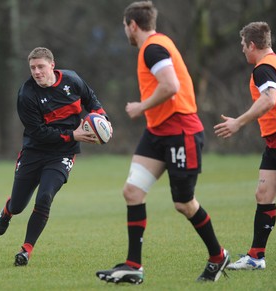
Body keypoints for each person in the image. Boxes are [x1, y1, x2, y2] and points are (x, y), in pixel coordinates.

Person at [96, 1, 229, 284]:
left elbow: (171, 86)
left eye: (124, 26)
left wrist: (141, 106)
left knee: (184, 203)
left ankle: (218, 256)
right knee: (132, 192)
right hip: (157, 132)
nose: (125, 32)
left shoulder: (154, 48)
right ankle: (134, 266)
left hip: (181, 131)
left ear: (132, 25)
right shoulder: (155, 45)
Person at [0, 47, 112, 266]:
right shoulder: (26, 94)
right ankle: (7, 211)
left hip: (62, 154)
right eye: (32, 68)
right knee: (19, 204)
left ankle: (26, 250)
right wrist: (73, 134)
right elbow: (39, 132)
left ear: (52, 65)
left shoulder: (72, 80)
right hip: (34, 151)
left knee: (45, 197)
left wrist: (102, 118)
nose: (37, 72)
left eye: (40, 67)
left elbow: (92, 100)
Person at [214, 22, 276, 270]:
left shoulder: (264, 68)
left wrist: (238, 123)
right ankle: (255, 257)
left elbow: (269, 99)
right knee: (263, 194)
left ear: (252, 45)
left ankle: (255, 256)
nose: (242, 49)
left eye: (243, 44)